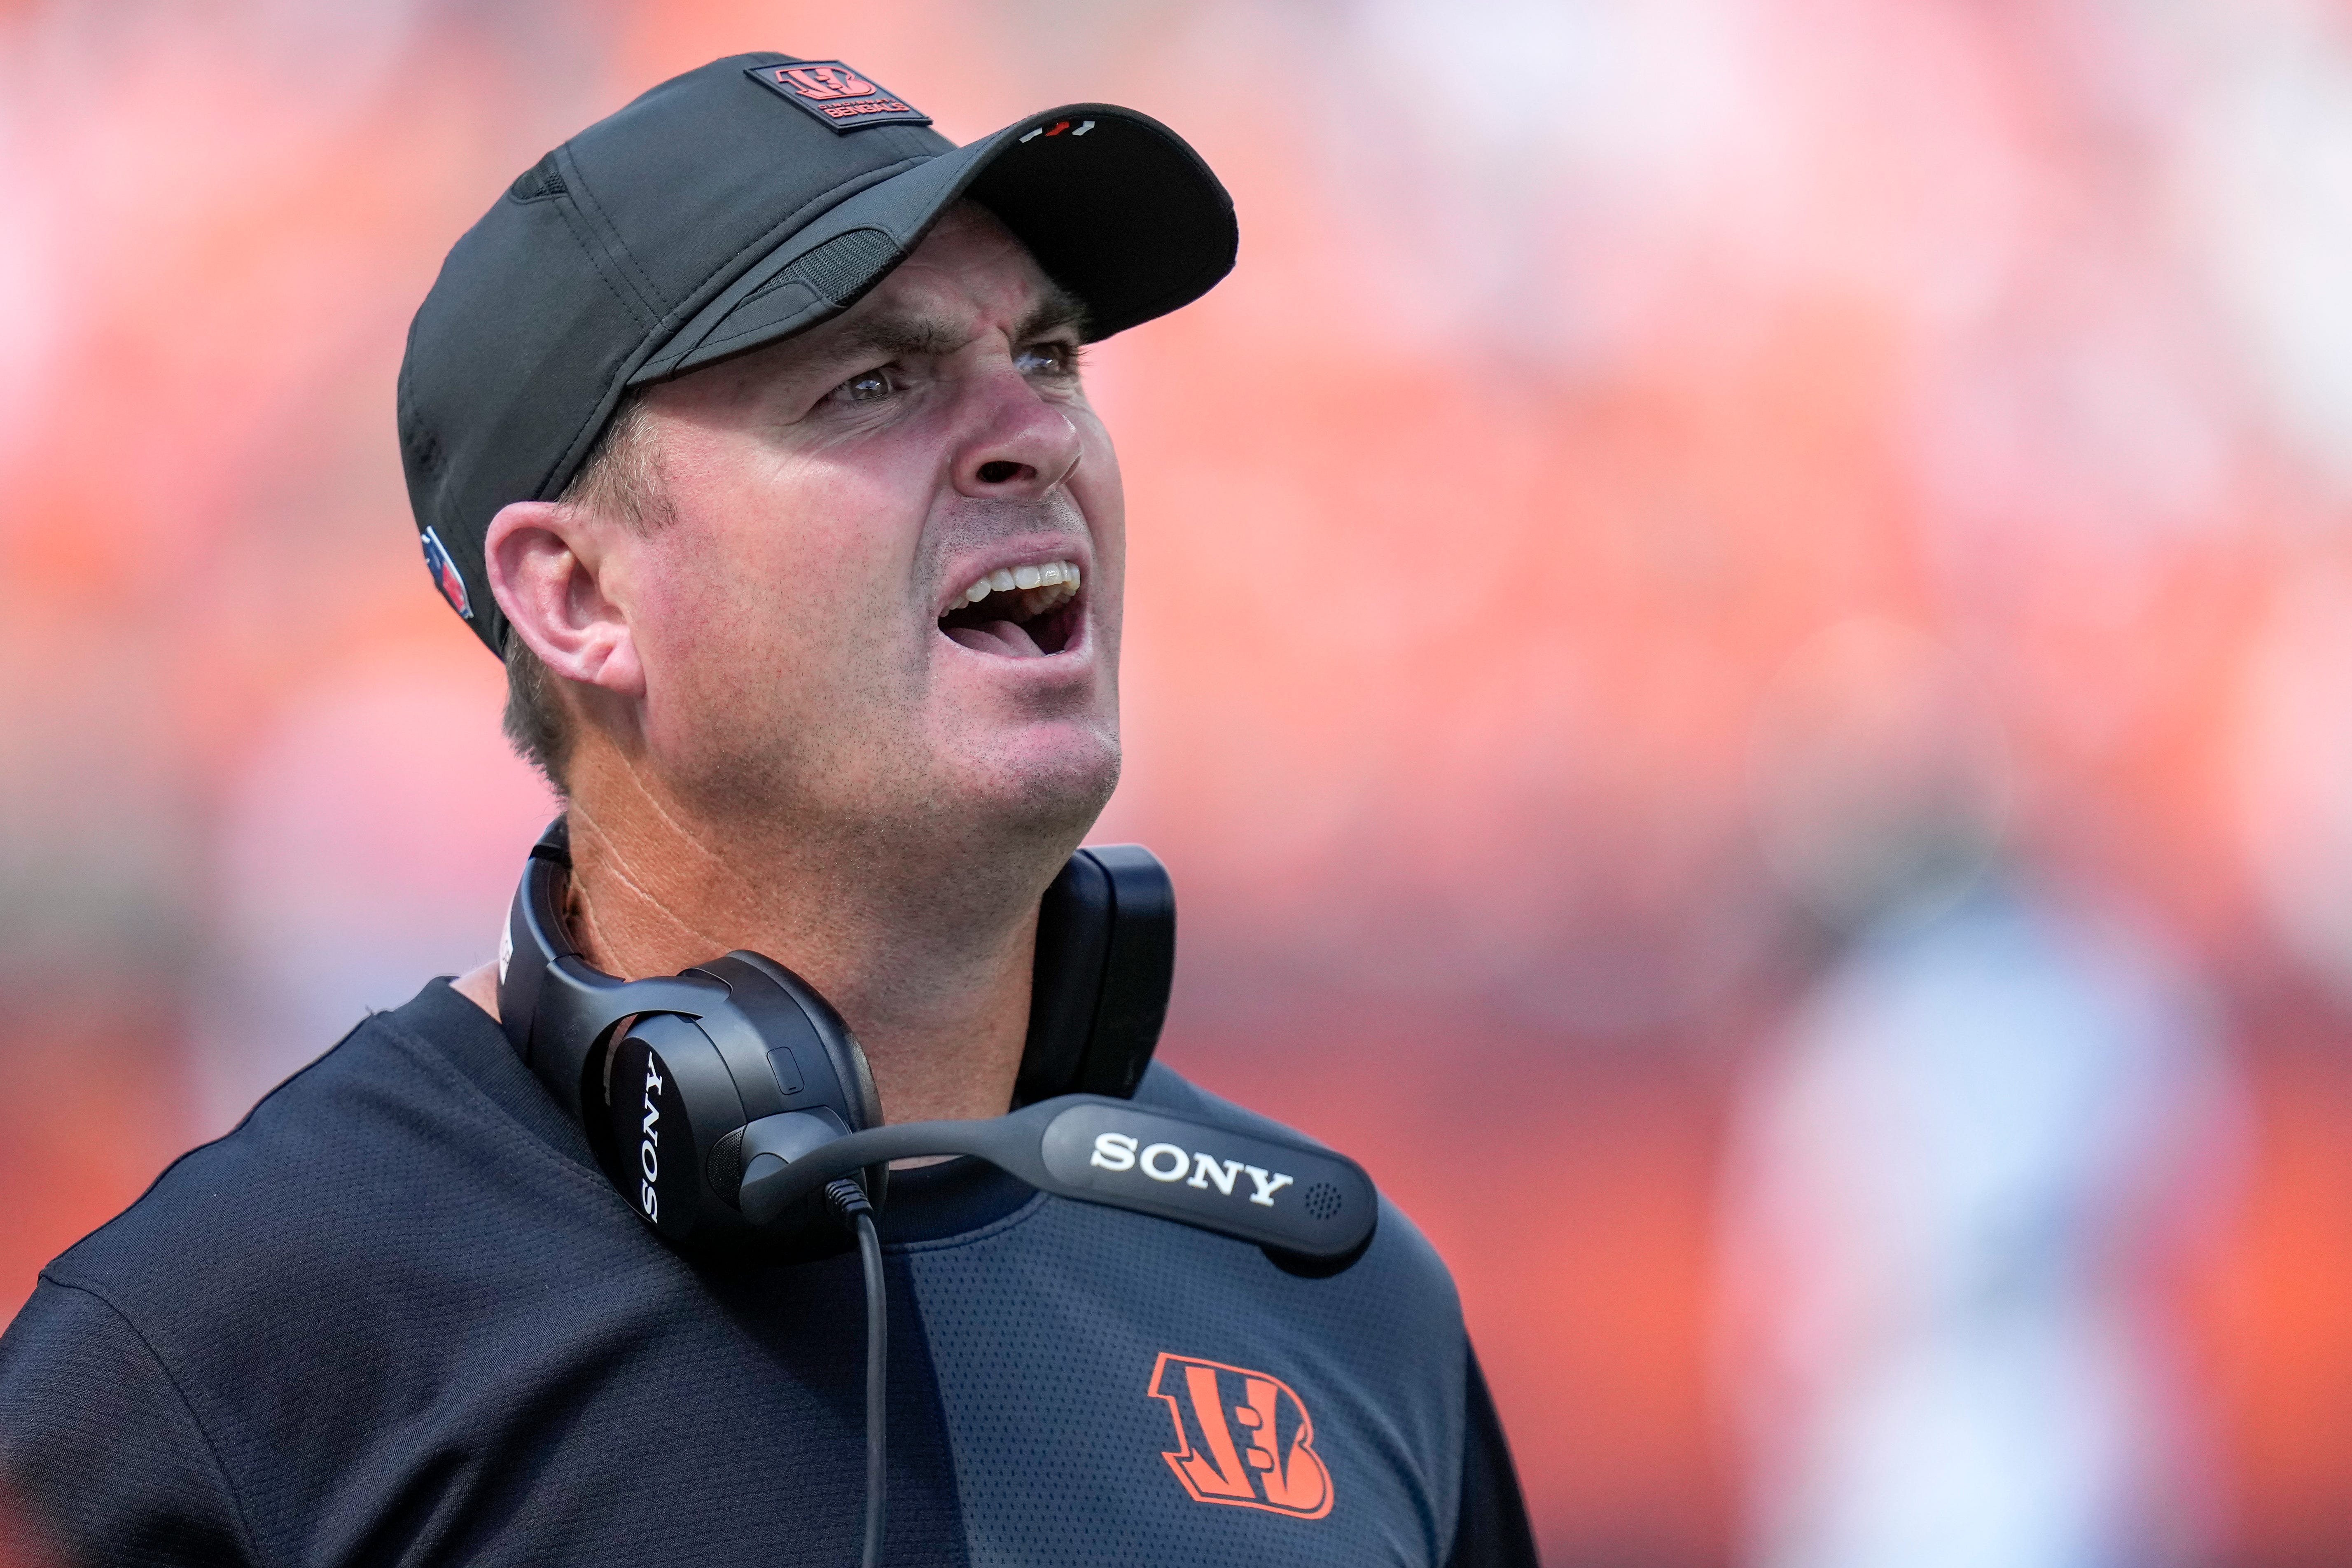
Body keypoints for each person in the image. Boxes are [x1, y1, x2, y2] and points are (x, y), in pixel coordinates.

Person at [0, 53, 1536, 1567]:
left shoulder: (1338, 1287)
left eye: (1053, 358)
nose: (1044, 435)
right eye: (872, 381)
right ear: (582, 593)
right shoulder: (221, 1355)